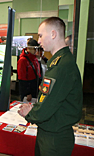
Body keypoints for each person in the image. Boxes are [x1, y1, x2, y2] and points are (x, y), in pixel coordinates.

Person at [17, 17, 83, 156]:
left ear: (53, 34)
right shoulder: (59, 62)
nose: (39, 41)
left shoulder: (61, 66)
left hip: (55, 137)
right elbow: (52, 100)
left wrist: (29, 113)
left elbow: (47, 107)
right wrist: (35, 108)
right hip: (50, 130)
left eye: (41, 35)